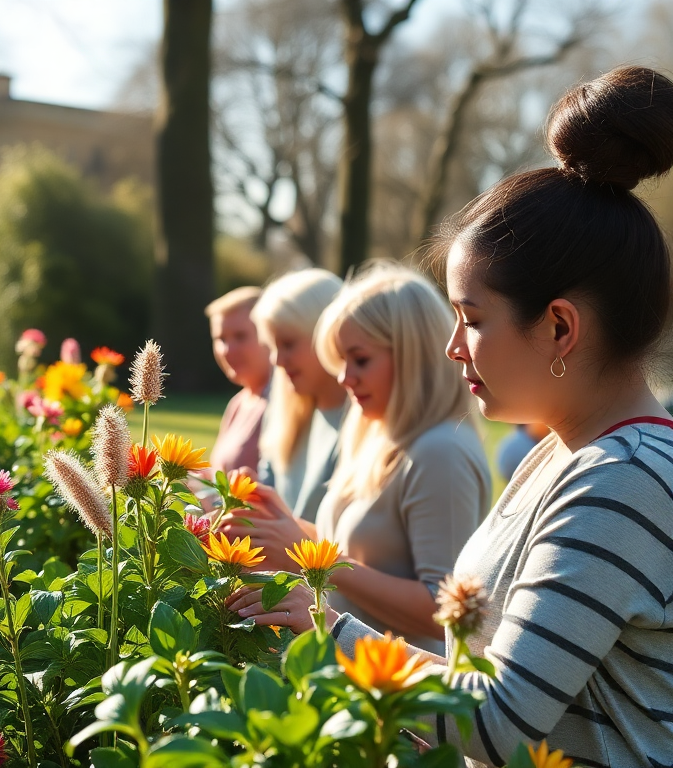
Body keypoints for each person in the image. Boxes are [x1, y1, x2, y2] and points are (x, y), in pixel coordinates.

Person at [231, 66, 673, 767]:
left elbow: (494, 723)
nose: (451, 346)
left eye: (471, 319)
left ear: (560, 328)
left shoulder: (621, 484)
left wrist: (330, 634)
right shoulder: (570, 456)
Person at [219, 262, 490, 652]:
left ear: (412, 357)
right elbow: (362, 555)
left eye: (360, 360)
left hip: (400, 698)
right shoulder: (380, 436)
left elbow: (445, 616)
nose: (345, 378)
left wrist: (314, 561)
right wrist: (282, 526)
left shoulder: (441, 451)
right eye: (341, 361)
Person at [251, 268, 347, 524]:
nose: (277, 360)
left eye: (288, 344)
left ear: (329, 334)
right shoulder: (284, 412)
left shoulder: (364, 421)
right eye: (271, 346)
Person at [202, 287, 273, 476]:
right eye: (220, 339)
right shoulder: (238, 403)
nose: (227, 350)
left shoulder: (283, 404)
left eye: (240, 336)